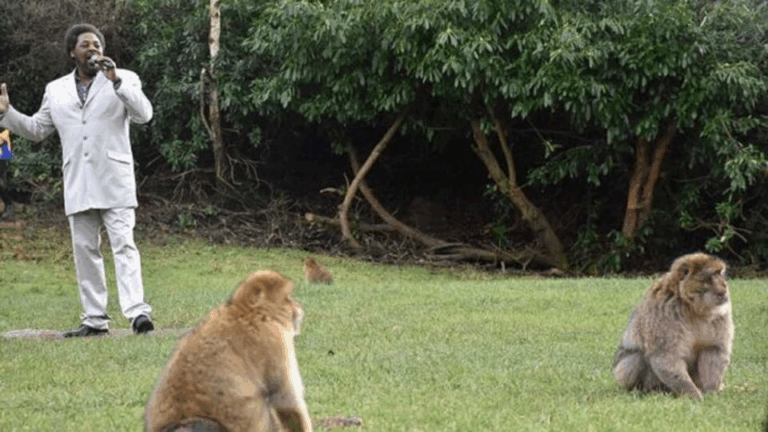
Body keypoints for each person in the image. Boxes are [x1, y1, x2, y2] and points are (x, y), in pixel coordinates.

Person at [0, 23, 154, 337]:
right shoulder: (55, 89)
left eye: (97, 44)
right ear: (73, 52)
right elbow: (37, 130)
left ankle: (138, 314)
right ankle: (95, 320)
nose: (93, 49)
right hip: (79, 182)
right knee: (85, 251)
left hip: (114, 179)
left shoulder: (124, 78)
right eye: (85, 44)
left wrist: (116, 81)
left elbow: (144, 115)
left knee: (124, 246)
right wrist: (6, 113)